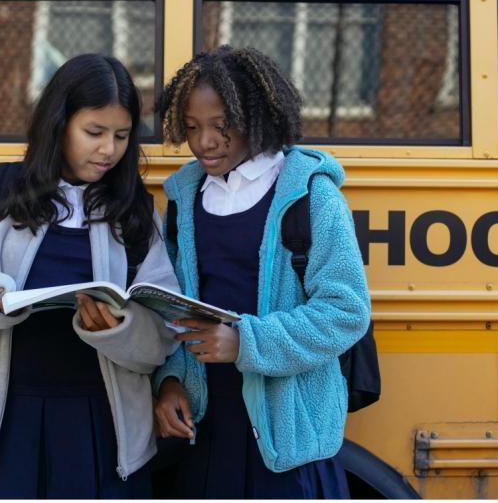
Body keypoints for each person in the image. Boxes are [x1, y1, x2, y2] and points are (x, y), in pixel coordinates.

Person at [0, 54, 179, 498]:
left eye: (121, 136)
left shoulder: (135, 213)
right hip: (2, 425)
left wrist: (119, 329)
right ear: (58, 124)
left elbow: (163, 335)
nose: (108, 150)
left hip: (102, 427)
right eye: (94, 132)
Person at [152, 45, 371, 499]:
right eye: (191, 128)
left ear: (257, 118)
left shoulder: (311, 197)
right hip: (208, 423)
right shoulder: (184, 201)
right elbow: (173, 308)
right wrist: (171, 380)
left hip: (285, 433)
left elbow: (346, 310)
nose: (204, 142)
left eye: (221, 126)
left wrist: (245, 343)